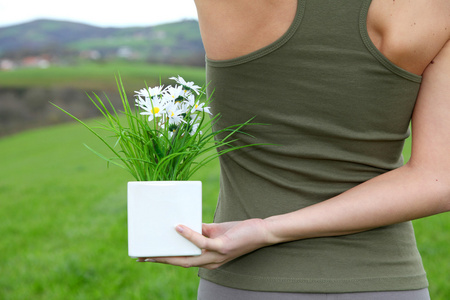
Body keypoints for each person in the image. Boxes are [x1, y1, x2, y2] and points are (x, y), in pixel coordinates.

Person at [138, 0, 450, 299]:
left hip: (249, 282)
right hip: (387, 281)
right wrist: (267, 230)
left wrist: (265, 229)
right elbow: (438, 180)